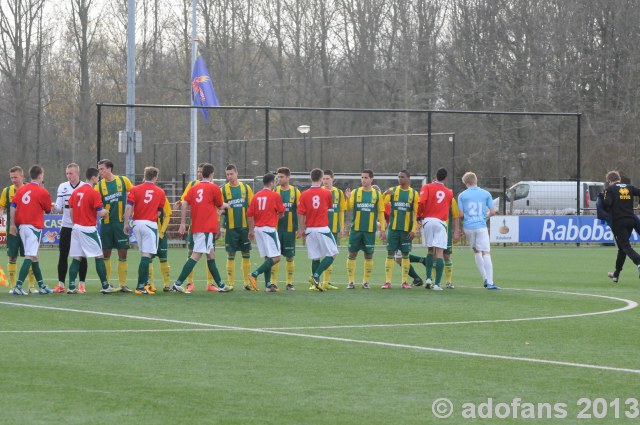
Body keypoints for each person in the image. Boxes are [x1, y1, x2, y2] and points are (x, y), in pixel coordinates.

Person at [172, 163, 228, 294]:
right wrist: (227, 206)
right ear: (212, 175)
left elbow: (185, 203)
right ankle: (177, 283)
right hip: (206, 228)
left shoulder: (194, 188)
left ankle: (220, 284)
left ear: (202, 174)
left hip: (196, 227)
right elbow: (220, 206)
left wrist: (182, 223)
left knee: (211, 254)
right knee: (195, 255)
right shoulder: (214, 188)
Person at [67, 167, 115, 294]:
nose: (99, 179)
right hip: (88, 228)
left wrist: (76, 223)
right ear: (93, 177)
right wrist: (106, 211)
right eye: (98, 177)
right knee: (99, 256)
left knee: (77, 257)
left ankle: (71, 286)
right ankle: (105, 285)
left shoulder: (76, 192)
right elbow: (100, 212)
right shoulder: (94, 193)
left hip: (76, 227)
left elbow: (71, 210)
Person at [8, 165, 53, 295]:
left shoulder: (21, 189)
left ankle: (41, 285)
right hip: (34, 228)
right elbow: (49, 210)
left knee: (35, 256)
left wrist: (12, 224)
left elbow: (12, 206)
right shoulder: (43, 191)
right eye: (42, 175)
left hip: (22, 227)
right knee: (30, 255)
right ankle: (18, 285)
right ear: (40, 176)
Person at [123, 167, 167, 295]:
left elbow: (128, 207)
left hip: (137, 224)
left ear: (144, 176)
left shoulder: (135, 189)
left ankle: (146, 283)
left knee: (144, 254)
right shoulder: (160, 192)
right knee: (147, 256)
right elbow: (159, 212)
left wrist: (126, 223)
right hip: (149, 225)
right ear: (155, 177)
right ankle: (140, 286)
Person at [297, 168, 339, 291]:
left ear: (311, 178)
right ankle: (315, 276)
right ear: (321, 179)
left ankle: (315, 285)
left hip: (310, 229)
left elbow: (301, 213)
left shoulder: (304, 194)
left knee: (315, 257)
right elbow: (329, 206)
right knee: (332, 254)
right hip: (322, 228)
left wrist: (301, 229)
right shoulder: (327, 193)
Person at [95, 159, 133, 292]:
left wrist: (130, 211)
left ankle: (122, 284)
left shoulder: (123, 180)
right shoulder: (99, 186)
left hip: (121, 224)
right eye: (99, 170)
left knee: (123, 253)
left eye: (102, 169)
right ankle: (106, 284)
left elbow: (133, 196)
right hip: (106, 224)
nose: (100, 172)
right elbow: (95, 203)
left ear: (109, 168)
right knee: (106, 253)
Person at [458, 171, 500, 290]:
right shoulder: (486, 194)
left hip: (468, 226)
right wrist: (484, 217)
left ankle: (485, 278)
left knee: (477, 251)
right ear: (476, 181)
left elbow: (461, 214)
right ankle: (490, 281)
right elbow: (492, 212)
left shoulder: (462, 195)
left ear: (465, 183)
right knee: (486, 252)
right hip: (481, 226)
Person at [345, 169, 386, 289]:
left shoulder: (377, 194)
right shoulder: (355, 192)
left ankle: (366, 282)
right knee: (352, 254)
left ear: (371, 179)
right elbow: (349, 207)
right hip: (356, 230)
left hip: (369, 231)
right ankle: (351, 282)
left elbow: (381, 212)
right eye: (362, 177)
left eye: (366, 177)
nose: (363, 180)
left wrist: (383, 230)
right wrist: (347, 198)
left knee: (369, 255)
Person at [418, 168, 457, 290]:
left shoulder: (427, 187)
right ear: (445, 178)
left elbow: (421, 202)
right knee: (439, 253)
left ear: (435, 176)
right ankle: (437, 284)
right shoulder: (449, 192)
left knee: (430, 250)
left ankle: (429, 278)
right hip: (440, 222)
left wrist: (419, 216)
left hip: (428, 220)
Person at [53, 163, 89, 293]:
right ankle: (61, 284)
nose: (69, 176)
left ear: (78, 174)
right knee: (63, 255)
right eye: (67, 173)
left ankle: (82, 284)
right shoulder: (63, 187)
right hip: (66, 226)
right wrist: (52, 206)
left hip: (81, 226)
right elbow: (58, 206)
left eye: (71, 173)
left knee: (82, 255)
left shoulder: (85, 186)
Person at [0, 166, 37, 292]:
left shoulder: (30, 189)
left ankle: (31, 286)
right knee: (12, 257)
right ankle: (12, 286)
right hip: (13, 229)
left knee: (31, 255)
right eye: (11, 177)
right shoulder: (7, 191)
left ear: (22, 176)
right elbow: (2, 207)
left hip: (28, 227)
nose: (13, 180)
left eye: (16, 177)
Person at [247, 173, 286, 292]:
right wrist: (274, 217)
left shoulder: (256, 196)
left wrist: (250, 230)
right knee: (276, 257)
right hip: (268, 229)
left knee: (267, 257)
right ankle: (254, 274)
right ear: (271, 183)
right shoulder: (275, 195)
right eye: (275, 181)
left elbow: (249, 215)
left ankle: (268, 285)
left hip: (258, 229)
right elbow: (281, 213)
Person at [382, 170, 419, 289]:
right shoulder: (393, 190)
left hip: (406, 230)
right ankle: (387, 282)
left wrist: (413, 229)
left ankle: (404, 282)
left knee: (405, 254)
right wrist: (385, 194)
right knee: (390, 253)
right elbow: (382, 205)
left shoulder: (414, 193)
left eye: (402, 177)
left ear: (408, 178)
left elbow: (416, 214)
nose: (400, 179)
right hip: (393, 229)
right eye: (398, 177)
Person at [601, 170, 640, 282]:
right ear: (619, 179)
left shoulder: (610, 189)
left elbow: (607, 203)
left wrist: (604, 196)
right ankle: (616, 274)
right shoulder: (630, 187)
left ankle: (638, 261)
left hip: (619, 222)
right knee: (622, 248)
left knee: (625, 246)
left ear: (609, 181)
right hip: (631, 220)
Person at [221, 164, 254, 290]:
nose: (229, 176)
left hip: (244, 228)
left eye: (231, 174)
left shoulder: (246, 188)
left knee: (246, 253)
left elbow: (251, 209)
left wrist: (252, 228)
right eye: (227, 174)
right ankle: (230, 283)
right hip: (230, 228)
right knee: (231, 254)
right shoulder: (223, 190)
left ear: (237, 173)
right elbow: (219, 207)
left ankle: (247, 283)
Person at [270, 167, 301, 291]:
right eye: (278, 177)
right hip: (275, 229)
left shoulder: (295, 192)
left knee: (289, 257)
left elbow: (299, 211)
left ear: (288, 177)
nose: (279, 179)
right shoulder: (274, 190)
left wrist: (299, 228)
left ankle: (289, 283)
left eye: (282, 177)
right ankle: (273, 283)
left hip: (289, 230)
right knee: (275, 256)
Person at [319, 169, 347, 290]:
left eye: (327, 179)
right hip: (321, 227)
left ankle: (326, 281)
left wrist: (341, 227)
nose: (325, 181)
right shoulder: (319, 192)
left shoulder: (339, 193)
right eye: (323, 179)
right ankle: (316, 281)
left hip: (334, 228)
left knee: (330, 254)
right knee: (319, 255)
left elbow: (341, 210)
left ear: (333, 180)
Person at [148, 196, 173, 292]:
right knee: (148, 259)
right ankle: (151, 285)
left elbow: (167, 215)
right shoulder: (143, 196)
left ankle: (167, 285)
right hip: (149, 235)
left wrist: (162, 232)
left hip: (161, 235)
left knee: (164, 259)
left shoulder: (162, 197)